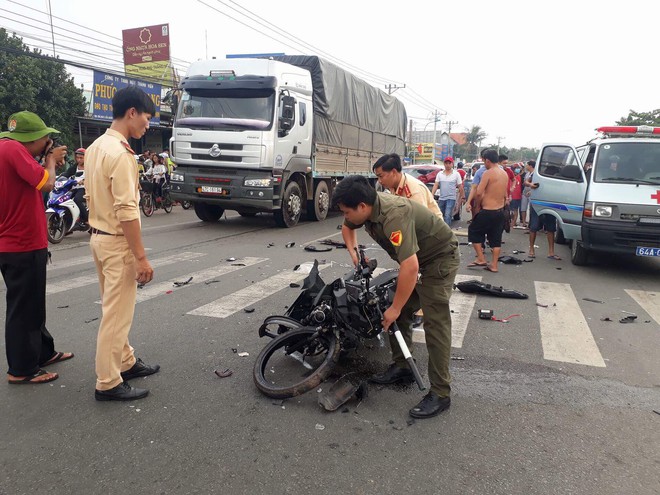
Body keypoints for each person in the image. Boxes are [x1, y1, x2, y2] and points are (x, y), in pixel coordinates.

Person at [333, 175, 460, 419]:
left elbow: (410, 267)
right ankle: (402, 367)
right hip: (416, 259)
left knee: (435, 323)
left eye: (347, 211)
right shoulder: (366, 209)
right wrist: (354, 254)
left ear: (362, 206)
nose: (345, 217)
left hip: (439, 260)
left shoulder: (394, 216)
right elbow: (348, 227)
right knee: (395, 310)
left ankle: (441, 393)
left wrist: (395, 308)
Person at [85, 86, 159, 401]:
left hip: (98, 239)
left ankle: (126, 362)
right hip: (116, 243)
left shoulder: (96, 147)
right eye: (146, 117)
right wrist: (140, 258)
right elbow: (127, 211)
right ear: (132, 113)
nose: (147, 125)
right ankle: (108, 382)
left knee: (114, 308)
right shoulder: (121, 153)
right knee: (116, 316)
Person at [0, 111, 74, 384]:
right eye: (46, 138)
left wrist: (47, 159)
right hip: (21, 243)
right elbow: (48, 183)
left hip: (19, 242)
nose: (48, 142)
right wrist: (51, 162)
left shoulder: (6, 148)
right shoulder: (14, 150)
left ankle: (43, 352)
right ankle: (21, 369)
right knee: (23, 308)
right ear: (31, 138)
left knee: (32, 304)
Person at [373, 153, 442, 329]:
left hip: (431, 236)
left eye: (381, 176)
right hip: (413, 232)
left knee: (420, 272)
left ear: (394, 172)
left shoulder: (413, 189)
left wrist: (410, 258)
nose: (379, 181)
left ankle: (421, 311)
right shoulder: (394, 188)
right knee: (410, 269)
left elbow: (419, 225)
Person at [466, 149, 509, 272]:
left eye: (484, 161)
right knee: (496, 238)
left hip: (488, 210)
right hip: (500, 211)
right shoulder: (504, 173)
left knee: (473, 231)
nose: (484, 163)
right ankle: (494, 265)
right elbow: (505, 194)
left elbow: (479, 193)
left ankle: (481, 258)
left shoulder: (488, 173)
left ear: (488, 160)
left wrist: (477, 206)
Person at [431, 157, 464, 226]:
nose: (448, 165)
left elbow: (460, 186)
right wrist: (432, 195)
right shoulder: (440, 174)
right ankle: (440, 230)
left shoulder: (456, 174)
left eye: (449, 163)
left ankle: (447, 233)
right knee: (439, 215)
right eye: (446, 163)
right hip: (442, 198)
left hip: (451, 198)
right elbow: (436, 185)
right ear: (444, 164)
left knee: (447, 215)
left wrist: (463, 197)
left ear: (452, 164)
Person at [66, 148, 88, 224]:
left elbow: (93, 177)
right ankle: (67, 224)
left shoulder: (90, 167)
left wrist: (84, 181)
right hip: (73, 188)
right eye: (77, 158)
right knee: (64, 201)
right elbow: (66, 174)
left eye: (81, 158)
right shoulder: (74, 167)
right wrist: (59, 179)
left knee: (77, 200)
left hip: (84, 189)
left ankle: (87, 219)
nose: (79, 160)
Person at [520, 160, 535, 228]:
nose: (526, 166)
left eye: (527, 165)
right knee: (523, 208)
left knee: (531, 209)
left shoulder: (535, 174)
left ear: (530, 166)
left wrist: (527, 184)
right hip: (525, 192)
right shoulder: (527, 173)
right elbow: (524, 182)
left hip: (532, 193)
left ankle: (531, 224)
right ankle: (523, 222)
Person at [510, 163, 523, 228]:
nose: (518, 169)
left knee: (514, 210)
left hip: (516, 196)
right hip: (513, 196)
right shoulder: (514, 176)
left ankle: (513, 223)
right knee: (513, 210)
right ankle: (512, 222)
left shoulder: (517, 176)